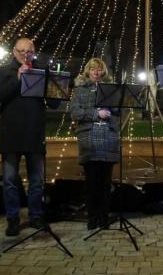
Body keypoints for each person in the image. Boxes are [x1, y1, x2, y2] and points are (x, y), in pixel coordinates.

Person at [0, 37, 58, 236]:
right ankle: (12, 219)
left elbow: (54, 103)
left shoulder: (41, 71)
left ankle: (36, 216)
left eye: (29, 52)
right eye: (21, 51)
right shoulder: (4, 71)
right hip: (11, 133)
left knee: (37, 180)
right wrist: (18, 78)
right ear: (14, 51)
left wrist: (55, 86)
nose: (25, 55)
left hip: (34, 133)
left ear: (33, 52)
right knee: (10, 180)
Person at [70, 58, 120, 230]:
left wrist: (116, 106)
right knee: (91, 182)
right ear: (88, 71)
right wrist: (96, 113)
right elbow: (75, 112)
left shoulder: (110, 89)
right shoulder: (79, 90)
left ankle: (104, 217)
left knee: (106, 182)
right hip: (89, 138)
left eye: (99, 69)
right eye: (93, 69)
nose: (96, 72)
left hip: (108, 137)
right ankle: (92, 217)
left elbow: (118, 110)